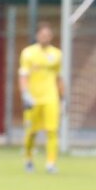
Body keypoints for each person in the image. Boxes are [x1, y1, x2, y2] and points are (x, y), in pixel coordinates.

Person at [20, 22, 65, 173]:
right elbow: (23, 76)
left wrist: (63, 98)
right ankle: (28, 160)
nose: (45, 37)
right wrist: (25, 94)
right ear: (37, 35)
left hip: (51, 98)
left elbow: (59, 78)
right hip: (33, 98)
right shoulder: (28, 53)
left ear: (51, 36)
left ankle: (51, 163)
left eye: (47, 35)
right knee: (31, 132)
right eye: (42, 34)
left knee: (52, 131)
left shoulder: (57, 54)